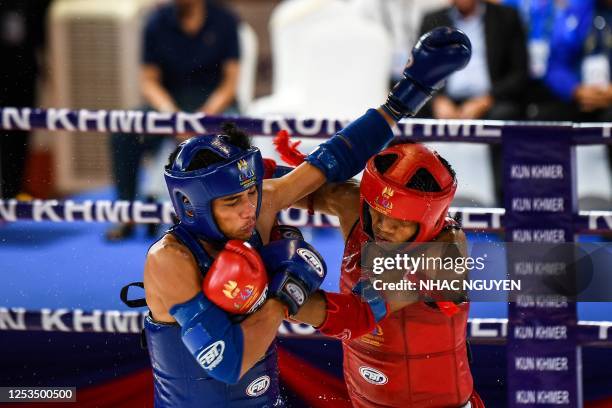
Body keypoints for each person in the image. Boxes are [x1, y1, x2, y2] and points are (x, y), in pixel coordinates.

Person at [134, 27, 472, 407]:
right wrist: (284, 292)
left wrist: (407, 97)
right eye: (233, 202)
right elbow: (229, 364)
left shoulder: (445, 250)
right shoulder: (170, 260)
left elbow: (328, 162)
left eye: (252, 193)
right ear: (191, 206)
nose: (250, 209)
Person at [280, 141, 483, 407]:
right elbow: (283, 188)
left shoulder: (444, 253)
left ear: (429, 222)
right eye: (378, 210)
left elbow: (356, 314)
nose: (383, 226)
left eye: (399, 222)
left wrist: (270, 299)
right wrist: (241, 175)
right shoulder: (356, 208)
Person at [107, 0, 242, 240]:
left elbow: (230, 84)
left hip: (214, 106)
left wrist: (204, 117)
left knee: (237, 135)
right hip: (168, 105)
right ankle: (127, 213)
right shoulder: (155, 21)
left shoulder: (225, 20)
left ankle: (235, 216)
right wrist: (171, 115)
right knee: (124, 131)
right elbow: (148, 81)